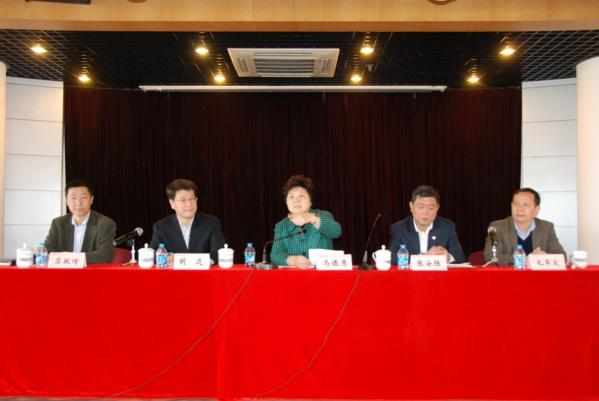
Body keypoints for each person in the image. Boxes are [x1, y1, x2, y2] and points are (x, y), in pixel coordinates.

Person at [270, 174, 342, 268]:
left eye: (301, 196)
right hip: (296, 275)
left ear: (310, 201)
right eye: (291, 197)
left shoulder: (323, 215)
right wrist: (293, 260)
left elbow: (337, 231)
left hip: (322, 274)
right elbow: (275, 255)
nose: (296, 200)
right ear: (286, 202)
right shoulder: (282, 226)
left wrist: (312, 218)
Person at [484, 187, 565, 265]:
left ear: (536, 210)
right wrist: (525, 260)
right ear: (511, 206)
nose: (519, 209)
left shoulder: (546, 227)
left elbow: (561, 256)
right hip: (510, 274)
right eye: (516, 204)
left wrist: (544, 258)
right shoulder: (498, 227)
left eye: (525, 205)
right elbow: (491, 256)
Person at [150, 178, 225, 263]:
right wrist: (167, 258)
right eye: (183, 200)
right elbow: (152, 254)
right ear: (172, 203)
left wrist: (189, 261)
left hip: (202, 271)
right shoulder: (161, 227)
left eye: (192, 199)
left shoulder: (211, 223)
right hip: (173, 271)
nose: (189, 204)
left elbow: (218, 252)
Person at [45, 179, 117, 264]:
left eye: (83, 197)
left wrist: (73, 260)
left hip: (91, 271)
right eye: (74, 198)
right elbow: (47, 251)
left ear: (91, 199)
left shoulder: (105, 224)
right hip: (63, 271)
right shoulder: (58, 223)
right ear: (67, 201)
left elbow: (105, 255)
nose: (78, 203)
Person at [389, 185, 465, 264]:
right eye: (421, 207)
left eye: (431, 208)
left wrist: (447, 257)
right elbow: (392, 257)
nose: (425, 212)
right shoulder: (399, 228)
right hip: (411, 272)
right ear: (411, 207)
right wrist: (424, 257)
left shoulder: (447, 227)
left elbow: (460, 257)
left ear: (437, 208)